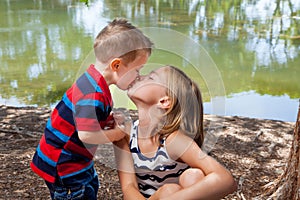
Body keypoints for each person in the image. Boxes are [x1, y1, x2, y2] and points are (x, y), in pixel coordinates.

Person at [30, 18, 153, 200]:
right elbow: (86, 135)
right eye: (137, 70)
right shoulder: (92, 93)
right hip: (65, 166)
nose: (138, 76)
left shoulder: (93, 82)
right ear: (116, 65)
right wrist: (117, 134)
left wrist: (108, 120)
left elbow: (86, 119)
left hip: (74, 160)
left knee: (90, 186)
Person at [113, 65, 237, 199]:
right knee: (169, 189)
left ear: (165, 101)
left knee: (193, 176)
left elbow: (226, 179)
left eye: (150, 77)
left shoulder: (174, 140)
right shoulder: (124, 134)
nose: (139, 76)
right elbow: (128, 187)